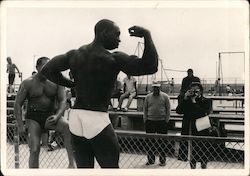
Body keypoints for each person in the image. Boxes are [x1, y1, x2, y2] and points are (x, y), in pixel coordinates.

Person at [40, 19, 158, 168]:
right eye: (117, 35)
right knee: (111, 169)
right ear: (104, 33)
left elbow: (47, 70)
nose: (119, 40)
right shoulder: (113, 58)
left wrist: (71, 84)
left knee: (85, 170)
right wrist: (147, 35)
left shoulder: (74, 54)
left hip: (76, 117)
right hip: (97, 118)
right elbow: (150, 66)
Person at [14, 57, 75, 168]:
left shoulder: (57, 82)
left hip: (50, 117)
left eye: (49, 67)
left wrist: (57, 116)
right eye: (44, 67)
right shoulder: (28, 83)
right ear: (37, 67)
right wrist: (20, 125)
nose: (47, 69)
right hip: (33, 118)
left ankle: (72, 163)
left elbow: (63, 100)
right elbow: (18, 104)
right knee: (34, 149)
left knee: (67, 127)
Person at [176, 82, 212, 169]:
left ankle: (203, 167)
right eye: (192, 91)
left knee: (203, 150)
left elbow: (203, 113)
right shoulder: (186, 101)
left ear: (201, 91)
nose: (195, 93)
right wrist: (185, 98)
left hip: (202, 127)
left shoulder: (206, 101)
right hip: (190, 128)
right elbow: (178, 111)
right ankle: (192, 169)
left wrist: (194, 102)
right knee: (191, 153)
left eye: (197, 91)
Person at [143, 81, 170, 166]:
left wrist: (166, 120)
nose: (156, 89)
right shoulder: (147, 97)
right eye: (154, 87)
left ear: (160, 88)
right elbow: (145, 109)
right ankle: (151, 160)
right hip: (150, 121)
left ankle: (162, 160)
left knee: (162, 142)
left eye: (157, 87)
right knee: (149, 141)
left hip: (162, 121)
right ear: (152, 88)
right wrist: (145, 119)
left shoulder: (165, 96)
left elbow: (168, 109)